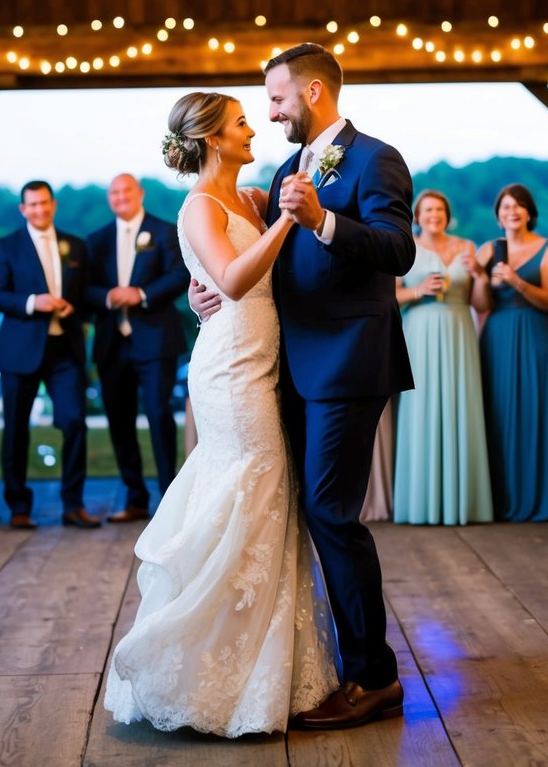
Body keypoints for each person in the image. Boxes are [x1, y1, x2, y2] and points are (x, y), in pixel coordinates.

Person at [191, 43, 416, 730]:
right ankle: (292, 663)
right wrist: (209, 299)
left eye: (278, 99)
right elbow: (246, 263)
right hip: (285, 365)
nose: (270, 112)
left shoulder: (376, 158)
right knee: (294, 509)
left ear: (313, 92)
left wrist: (322, 219)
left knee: (329, 513)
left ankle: (373, 676)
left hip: (348, 360)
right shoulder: (288, 167)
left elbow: (397, 249)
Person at [105, 92, 337, 737]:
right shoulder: (200, 206)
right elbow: (231, 282)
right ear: (211, 138)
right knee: (253, 487)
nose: (252, 128)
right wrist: (288, 223)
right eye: (239, 122)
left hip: (268, 357)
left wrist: (278, 217)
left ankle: (262, 663)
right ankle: (211, 669)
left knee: (270, 498)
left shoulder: (255, 198)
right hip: (231, 370)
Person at [0, 181, 100, 530]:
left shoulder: (75, 245)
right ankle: (19, 506)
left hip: (64, 349)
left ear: (53, 205)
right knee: (16, 430)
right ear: (23, 209)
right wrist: (31, 302)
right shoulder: (6, 247)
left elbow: (86, 296)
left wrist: (73, 308)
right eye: (32, 205)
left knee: (74, 422)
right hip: (19, 350)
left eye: (44, 203)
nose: (39, 210)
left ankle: (73, 504)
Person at [86, 174, 188, 523]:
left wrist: (141, 294)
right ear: (109, 199)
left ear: (139, 193)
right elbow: (84, 288)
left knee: (159, 417)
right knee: (119, 421)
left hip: (155, 340)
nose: (120, 197)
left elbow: (179, 275)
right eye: (113, 192)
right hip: (112, 344)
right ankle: (135, 498)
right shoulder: (96, 240)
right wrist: (108, 296)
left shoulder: (162, 231)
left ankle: (168, 501)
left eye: (126, 190)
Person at [394, 189, 493, 525]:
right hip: (420, 331)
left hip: (459, 330)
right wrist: (418, 291)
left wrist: (480, 275)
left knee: (461, 406)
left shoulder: (466, 248)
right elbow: (392, 297)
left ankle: (463, 501)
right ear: (417, 216)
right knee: (422, 408)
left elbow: (480, 304)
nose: (433, 215)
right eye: (427, 210)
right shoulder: (405, 246)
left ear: (448, 215)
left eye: (439, 210)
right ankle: (421, 502)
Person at [470, 183, 548, 522]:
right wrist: (480, 280)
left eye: (519, 206)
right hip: (497, 337)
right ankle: (499, 499)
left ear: (529, 212)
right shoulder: (488, 249)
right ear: (498, 214)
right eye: (506, 206)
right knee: (499, 413)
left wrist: (517, 281)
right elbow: (479, 304)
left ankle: (541, 498)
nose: (512, 211)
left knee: (536, 412)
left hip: (536, 335)